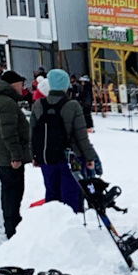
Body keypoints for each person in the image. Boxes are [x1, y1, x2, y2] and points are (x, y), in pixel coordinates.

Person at [31, 69, 93, 211]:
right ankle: (72, 225)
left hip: (47, 156)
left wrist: (34, 155)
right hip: (72, 157)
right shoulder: (73, 105)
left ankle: (54, 225)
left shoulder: (38, 105)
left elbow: (33, 133)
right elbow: (81, 135)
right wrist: (89, 157)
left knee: (52, 193)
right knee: (71, 194)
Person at [0, 67, 32, 238]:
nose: (22, 88)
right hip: (9, 157)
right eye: (20, 84)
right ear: (13, 84)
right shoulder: (6, 103)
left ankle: (12, 222)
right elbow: (8, 132)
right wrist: (16, 155)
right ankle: (12, 226)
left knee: (10, 191)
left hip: (2, 155)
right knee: (13, 192)